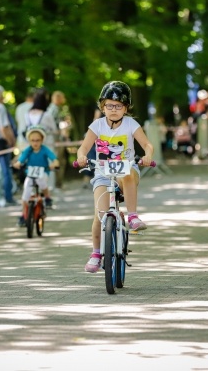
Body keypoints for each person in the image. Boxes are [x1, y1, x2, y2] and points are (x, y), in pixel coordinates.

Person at [76, 81, 154, 273]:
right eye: (109, 105)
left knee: (126, 173)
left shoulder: (130, 124)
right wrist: (81, 157)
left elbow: (147, 145)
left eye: (118, 106)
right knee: (99, 215)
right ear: (102, 107)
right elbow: (84, 147)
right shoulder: (97, 125)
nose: (113, 109)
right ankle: (96, 253)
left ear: (125, 108)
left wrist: (147, 156)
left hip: (126, 171)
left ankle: (133, 216)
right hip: (103, 173)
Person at [13, 126, 59, 227]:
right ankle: (24, 215)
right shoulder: (28, 150)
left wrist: (54, 163)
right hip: (31, 174)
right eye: (33, 140)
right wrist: (18, 163)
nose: (35, 143)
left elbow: (54, 159)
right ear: (29, 141)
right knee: (25, 194)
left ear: (42, 140)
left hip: (43, 172)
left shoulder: (44, 150)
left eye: (38, 140)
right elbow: (21, 159)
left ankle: (47, 198)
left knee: (42, 182)